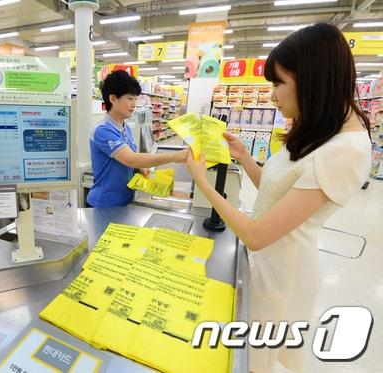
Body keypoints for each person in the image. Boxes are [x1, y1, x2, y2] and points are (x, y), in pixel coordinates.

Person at [186, 23, 371, 373]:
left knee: (256, 361)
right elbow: (278, 191)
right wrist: (244, 158)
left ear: (312, 80)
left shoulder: (345, 149)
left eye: (278, 84)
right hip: (268, 264)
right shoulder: (320, 127)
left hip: (282, 275)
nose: (272, 96)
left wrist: (204, 182)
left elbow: (258, 236)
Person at [87, 70, 188, 208]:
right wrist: (174, 156)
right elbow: (131, 159)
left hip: (125, 201)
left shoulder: (125, 127)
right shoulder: (102, 131)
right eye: (129, 98)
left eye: (135, 98)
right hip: (104, 204)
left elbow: (130, 161)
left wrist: (139, 168)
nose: (134, 103)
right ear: (113, 99)